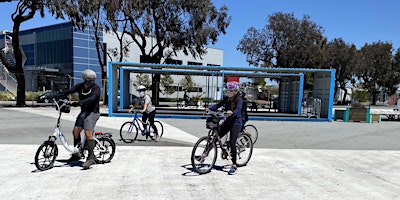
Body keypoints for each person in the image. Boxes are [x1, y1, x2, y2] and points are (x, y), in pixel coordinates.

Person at [56, 69, 101, 169]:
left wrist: (80, 102)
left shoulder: (96, 88)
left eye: (93, 79)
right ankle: (77, 153)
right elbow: (69, 91)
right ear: (84, 79)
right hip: (84, 112)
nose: (91, 81)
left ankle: (91, 157)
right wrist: (55, 95)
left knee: (88, 133)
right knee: (75, 131)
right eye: (89, 79)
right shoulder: (79, 86)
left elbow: (93, 98)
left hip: (93, 113)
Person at [205, 81, 243, 175]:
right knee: (215, 137)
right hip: (228, 121)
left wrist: (232, 113)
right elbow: (217, 105)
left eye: (230, 91)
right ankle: (204, 155)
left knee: (232, 142)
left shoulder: (239, 100)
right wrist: (209, 109)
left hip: (236, 122)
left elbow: (238, 110)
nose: (228, 92)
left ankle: (234, 165)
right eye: (227, 90)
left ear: (235, 91)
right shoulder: (227, 99)